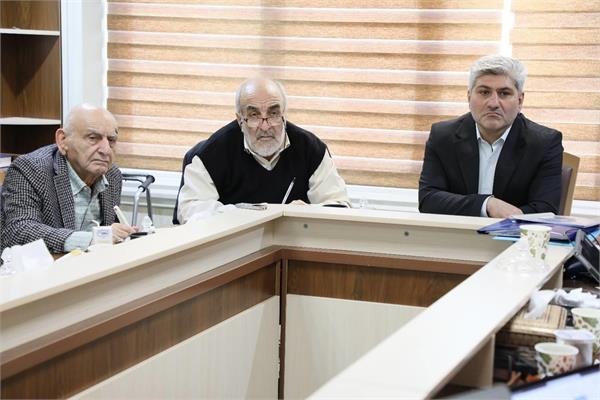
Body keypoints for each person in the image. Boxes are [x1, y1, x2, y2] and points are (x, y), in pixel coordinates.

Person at [174, 77, 349, 224]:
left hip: (293, 245)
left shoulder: (311, 149)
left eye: (273, 114)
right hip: (233, 247)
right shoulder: (210, 155)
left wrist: (308, 213)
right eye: (254, 115)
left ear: (284, 115)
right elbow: (191, 211)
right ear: (239, 120)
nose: (265, 126)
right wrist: (252, 216)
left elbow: (339, 206)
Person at [418, 55, 563, 218]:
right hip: (457, 232)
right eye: (484, 92)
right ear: (469, 97)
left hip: (514, 234)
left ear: (520, 101)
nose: (493, 103)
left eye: (504, 93)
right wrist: (486, 204)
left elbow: (545, 210)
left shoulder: (544, 143)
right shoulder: (442, 136)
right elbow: (428, 200)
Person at [0, 104, 137, 254]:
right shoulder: (30, 169)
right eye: (92, 138)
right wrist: (95, 237)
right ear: (63, 140)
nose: (106, 150)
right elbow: (19, 230)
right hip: (41, 266)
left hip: (90, 265)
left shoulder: (112, 175)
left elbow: (109, 235)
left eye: (111, 140)